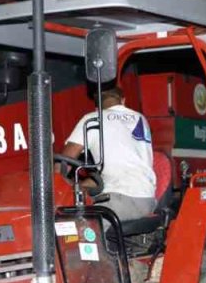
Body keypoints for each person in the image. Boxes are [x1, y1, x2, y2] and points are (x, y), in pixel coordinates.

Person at [59, 86, 156, 220]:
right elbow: (118, 170)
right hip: (146, 199)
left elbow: (64, 162)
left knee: (75, 229)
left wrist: (55, 184)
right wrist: (80, 186)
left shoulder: (92, 120)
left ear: (97, 107)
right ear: (123, 101)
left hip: (120, 200)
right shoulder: (140, 118)